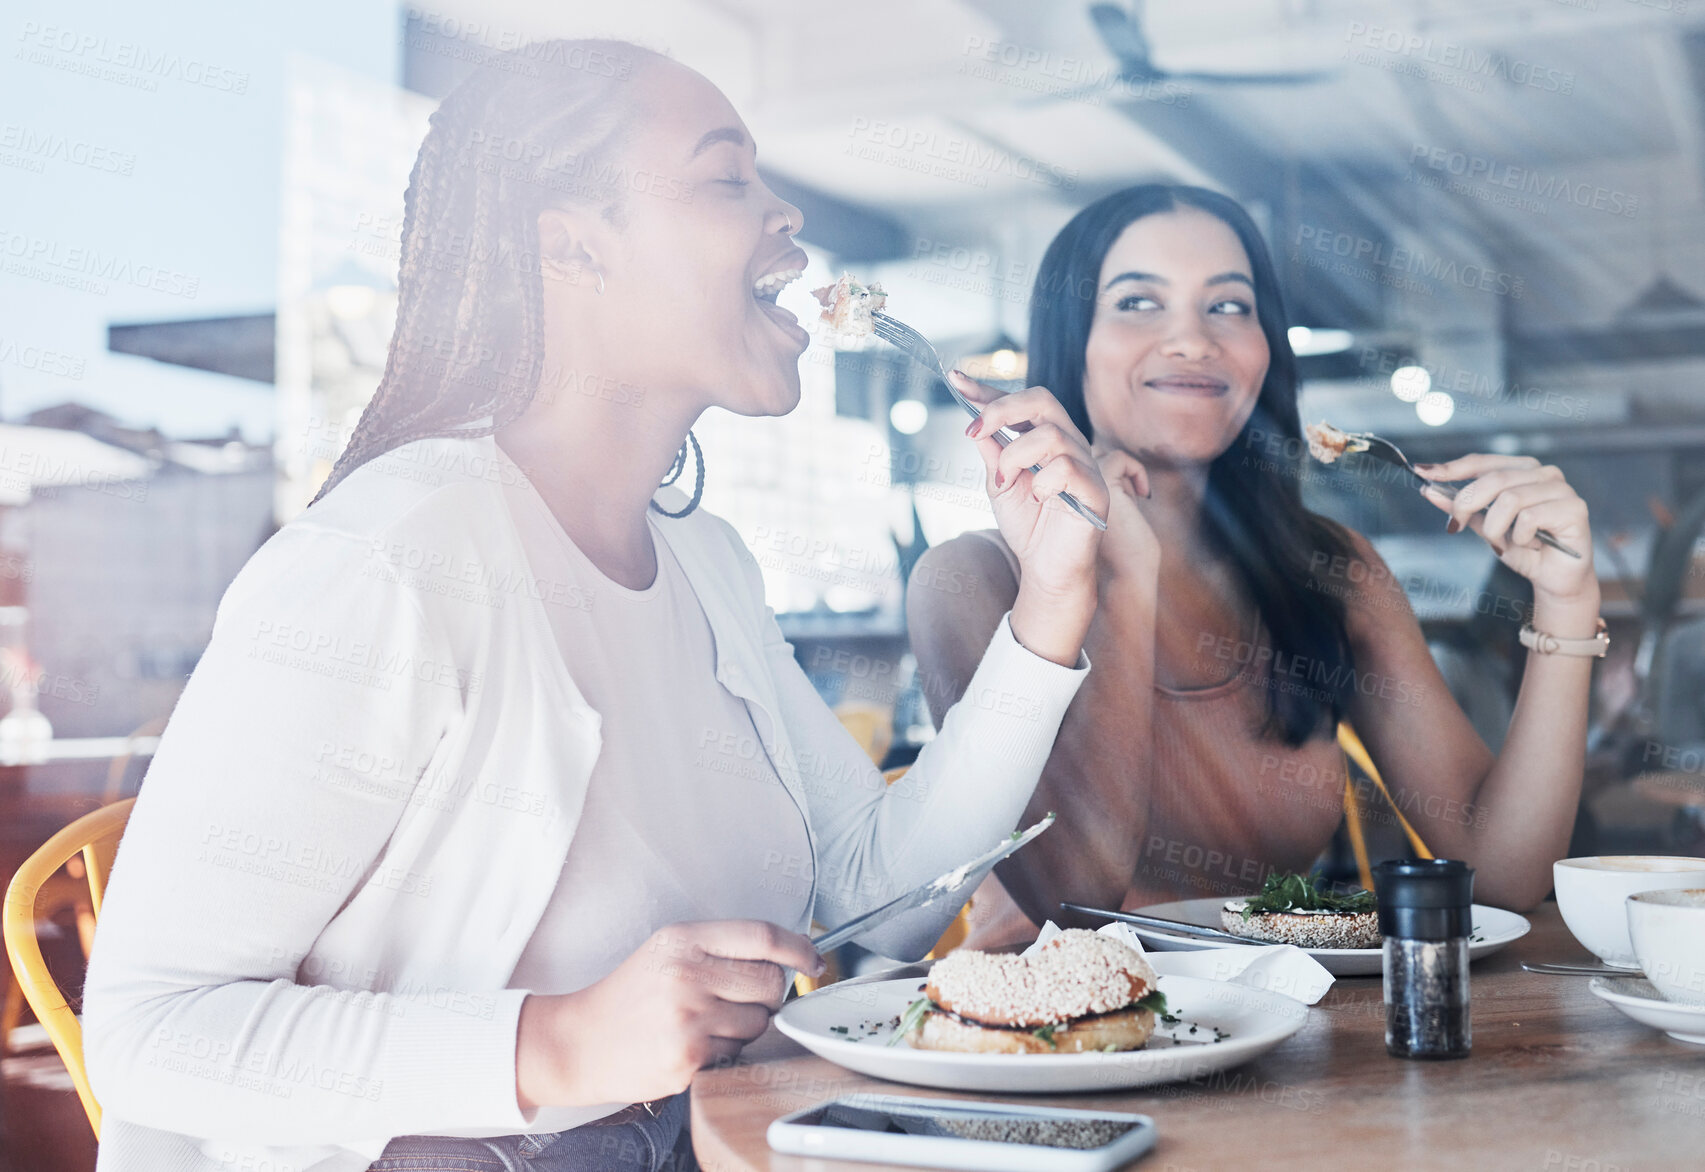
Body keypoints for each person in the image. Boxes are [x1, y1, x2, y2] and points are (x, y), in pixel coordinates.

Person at [80, 40, 1110, 1172]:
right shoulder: (390, 556)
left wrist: (1050, 602)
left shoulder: (709, 563)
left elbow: (882, 893)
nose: (788, 218)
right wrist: (557, 1040)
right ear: (568, 244)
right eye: (728, 180)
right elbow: (148, 1030)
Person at [908, 184, 1602, 950]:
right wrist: (1126, 573)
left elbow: (1503, 873)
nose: (1192, 340)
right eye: (1138, 302)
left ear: (1266, 348)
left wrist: (1564, 603)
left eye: (1229, 307)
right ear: (1072, 340)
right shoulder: (967, 581)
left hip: (1283, 1038)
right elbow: (1078, 902)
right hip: (1045, 1043)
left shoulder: (1329, 570)